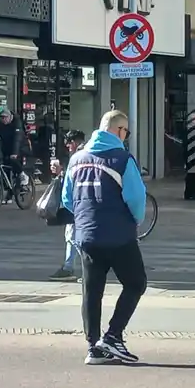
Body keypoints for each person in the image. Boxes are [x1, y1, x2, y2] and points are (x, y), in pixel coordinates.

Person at [61, 110, 148, 366]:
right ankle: (113, 336)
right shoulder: (122, 159)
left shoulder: (77, 159)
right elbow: (136, 199)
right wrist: (136, 221)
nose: (126, 136)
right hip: (118, 235)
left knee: (92, 290)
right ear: (119, 131)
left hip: (86, 235)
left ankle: (93, 347)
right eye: (126, 132)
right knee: (135, 283)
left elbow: (68, 199)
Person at [49, 130, 86, 281]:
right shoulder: (82, 153)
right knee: (71, 235)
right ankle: (68, 267)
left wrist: (61, 173)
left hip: (78, 202)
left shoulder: (81, 154)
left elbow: (76, 177)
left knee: (73, 236)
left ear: (75, 142)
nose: (67, 146)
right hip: (78, 201)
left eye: (69, 142)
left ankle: (83, 268)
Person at [0, 110, 27, 200]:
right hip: (6, 148)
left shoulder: (17, 123)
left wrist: (15, 153)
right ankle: (9, 193)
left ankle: (22, 175)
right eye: (2, 117)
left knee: (14, 162)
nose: (4, 119)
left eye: (5, 117)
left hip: (20, 147)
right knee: (5, 170)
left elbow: (17, 139)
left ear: (10, 117)